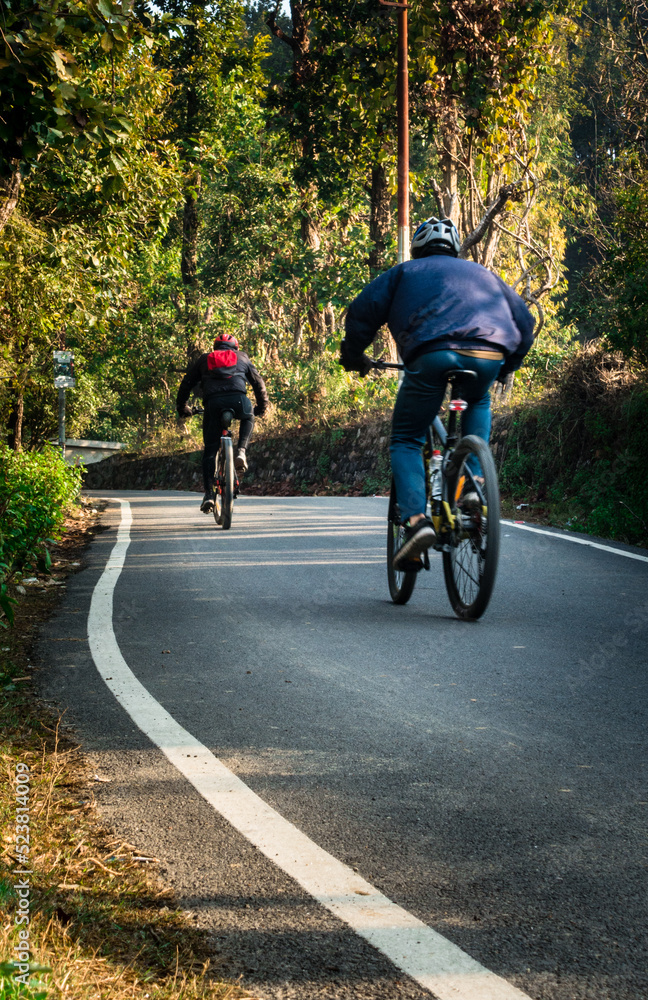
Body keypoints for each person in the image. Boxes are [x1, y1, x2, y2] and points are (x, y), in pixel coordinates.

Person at [339, 216, 535, 570]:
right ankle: (473, 483)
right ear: (456, 249)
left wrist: (354, 358)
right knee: (477, 398)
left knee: (406, 438)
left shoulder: (404, 273)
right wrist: (509, 365)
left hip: (431, 354)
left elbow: (360, 313)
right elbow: (525, 321)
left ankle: (415, 524)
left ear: (417, 249)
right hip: (487, 353)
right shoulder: (484, 274)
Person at [176, 333, 270, 513]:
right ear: (235, 347)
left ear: (215, 347)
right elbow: (258, 383)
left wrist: (183, 407)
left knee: (210, 452)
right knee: (248, 415)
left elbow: (186, 383)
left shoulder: (204, 360)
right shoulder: (242, 357)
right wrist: (262, 407)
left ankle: (209, 495)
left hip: (213, 405)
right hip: (238, 401)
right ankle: (241, 451)